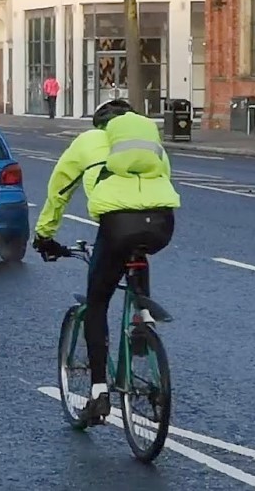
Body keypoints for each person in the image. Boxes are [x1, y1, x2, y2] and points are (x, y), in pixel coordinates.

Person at [32, 99, 180, 427]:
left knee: (97, 303)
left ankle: (99, 393)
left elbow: (59, 191)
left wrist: (44, 235)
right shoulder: (149, 144)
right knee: (136, 249)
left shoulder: (87, 142)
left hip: (116, 226)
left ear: (100, 124)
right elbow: (163, 180)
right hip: (161, 224)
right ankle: (142, 318)